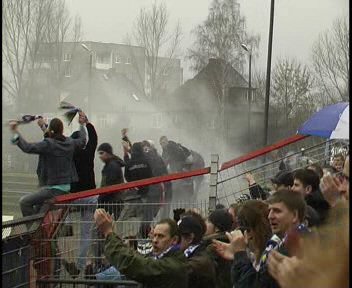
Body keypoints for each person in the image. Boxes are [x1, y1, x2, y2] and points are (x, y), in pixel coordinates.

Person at [212, 190, 309, 288]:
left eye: (277, 211)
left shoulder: (294, 247)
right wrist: (236, 255)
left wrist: (240, 254)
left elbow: (254, 285)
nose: (270, 216)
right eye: (270, 210)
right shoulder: (279, 244)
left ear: (295, 215)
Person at [10, 117, 86, 217]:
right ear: (62, 130)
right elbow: (82, 141)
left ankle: (34, 231)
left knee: (24, 202)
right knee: (38, 212)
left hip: (52, 190)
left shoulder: (48, 144)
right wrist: (82, 125)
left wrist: (15, 132)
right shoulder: (70, 143)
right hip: (66, 188)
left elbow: (27, 147)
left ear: (51, 130)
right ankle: (37, 229)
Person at [94, 210, 188, 288]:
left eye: (161, 236)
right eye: (154, 235)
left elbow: (134, 263)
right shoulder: (163, 259)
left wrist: (109, 233)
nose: (155, 240)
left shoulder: (173, 265)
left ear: (174, 240)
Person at [61, 112, 99, 278]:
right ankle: (80, 265)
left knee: (62, 205)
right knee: (85, 234)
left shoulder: (69, 154)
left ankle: (67, 223)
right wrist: (86, 123)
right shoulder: (88, 152)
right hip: (91, 196)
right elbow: (94, 138)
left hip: (75, 198)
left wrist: (44, 127)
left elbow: (55, 142)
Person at [178, 213, 216, 288]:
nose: (174, 241)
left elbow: (175, 272)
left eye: (177, 237)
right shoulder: (195, 254)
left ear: (189, 238)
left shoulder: (199, 262)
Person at [203, 209, 234, 288]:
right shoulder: (230, 243)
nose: (205, 224)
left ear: (217, 228)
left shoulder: (214, 247)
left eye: (209, 222)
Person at [97, 143, 125, 217]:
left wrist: (100, 200)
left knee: (110, 224)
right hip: (112, 200)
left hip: (112, 201)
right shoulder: (111, 165)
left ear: (108, 152)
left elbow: (108, 185)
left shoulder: (112, 166)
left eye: (101, 153)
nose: (100, 156)